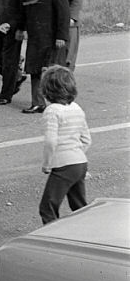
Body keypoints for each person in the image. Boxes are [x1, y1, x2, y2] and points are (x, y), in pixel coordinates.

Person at [38, 65, 90, 224]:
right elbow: (87, 139)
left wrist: (47, 164)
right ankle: (88, 231)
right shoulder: (77, 108)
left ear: (46, 90)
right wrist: (77, 154)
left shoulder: (52, 111)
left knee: (48, 207)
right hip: (80, 162)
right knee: (79, 205)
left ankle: (52, 239)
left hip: (63, 165)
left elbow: (51, 141)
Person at [21, 0, 70, 113]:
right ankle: (38, 103)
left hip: (51, 39)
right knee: (34, 71)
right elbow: (24, 14)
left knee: (53, 72)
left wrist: (61, 36)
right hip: (35, 40)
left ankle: (62, 101)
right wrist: (21, 29)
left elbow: (63, 14)